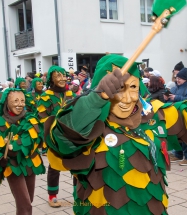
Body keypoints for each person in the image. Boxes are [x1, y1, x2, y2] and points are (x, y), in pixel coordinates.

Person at [44, 54, 187, 214]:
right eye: (118, 89)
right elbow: (62, 137)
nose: (127, 98)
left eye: (133, 87)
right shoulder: (89, 122)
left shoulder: (155, 114)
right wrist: (93, 101)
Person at [0, 88, 45, 215]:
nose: (19, 104)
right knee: (25, 205)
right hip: (12, 167)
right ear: (7, 103)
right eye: (15, 101)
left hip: (29, 163)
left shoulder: (31, 119)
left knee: (28, 200)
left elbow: (35, 139)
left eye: (22, 101)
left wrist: (16, 145)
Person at [37, 65, 75, 208]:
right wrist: (51, 133)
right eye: (58, 76)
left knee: (77, 164)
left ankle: (78, 194)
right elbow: (42, 117)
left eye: (63, 75)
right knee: (54, 166)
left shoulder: (70, 94)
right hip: (54, 137)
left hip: (71, 135)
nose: (62, 78)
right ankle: (52, 196)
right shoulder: (46, 96)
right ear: (51, 79)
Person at [164, 67, 187, 165]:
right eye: (177, 78)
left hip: (184, 115)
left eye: (180, 78)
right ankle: (178, 154)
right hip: (175, 115)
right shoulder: (174, 87)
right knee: (176, 135)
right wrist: (166, 98)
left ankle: (186, 156)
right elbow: (169, 100)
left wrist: (176, 97)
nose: (177, 80)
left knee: (185, 136)